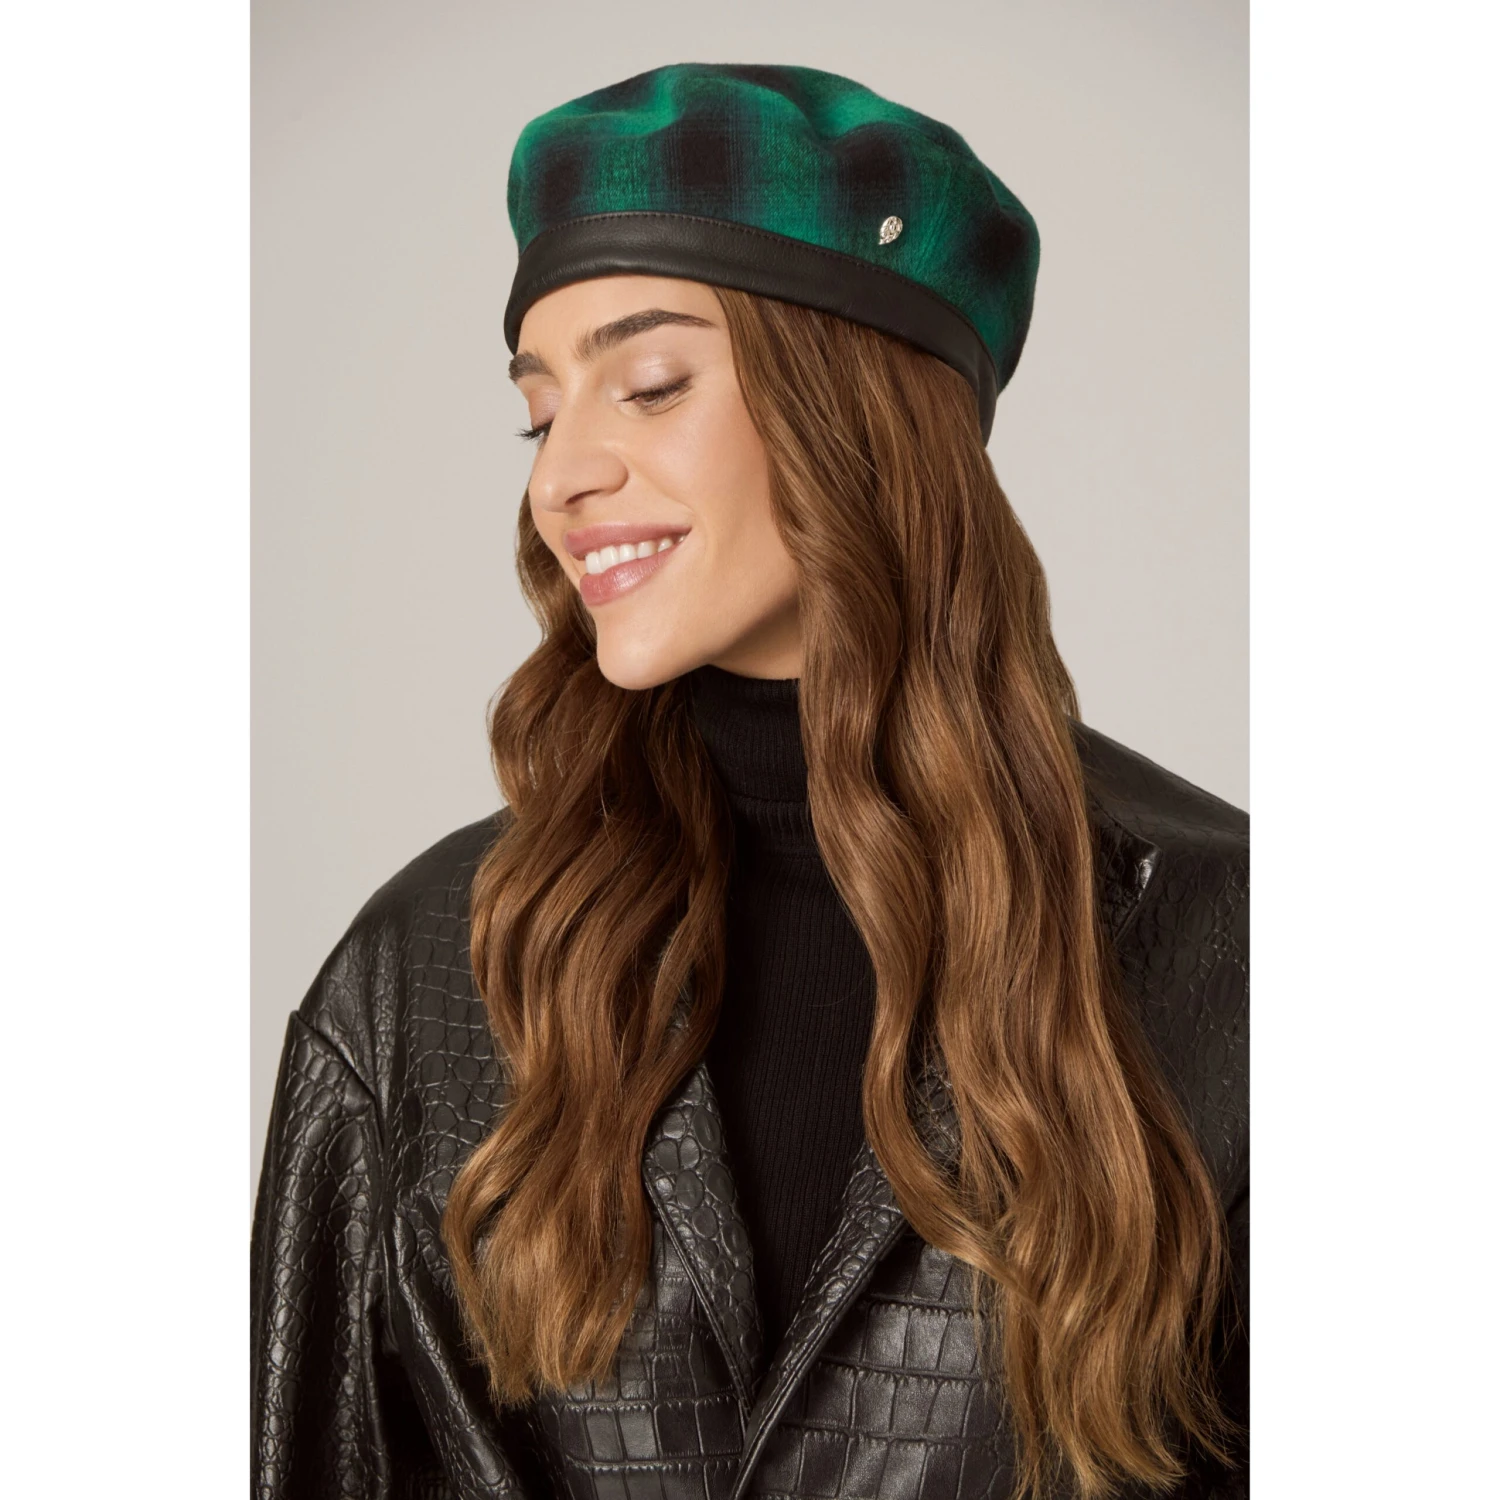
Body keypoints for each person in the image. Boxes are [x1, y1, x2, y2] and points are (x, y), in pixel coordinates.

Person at [251, 63, 1248, 1500]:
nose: (560, 477)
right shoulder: (419, 981)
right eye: (540, 413)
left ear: (858, 406)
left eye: (649, 386)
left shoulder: (1233, 949)